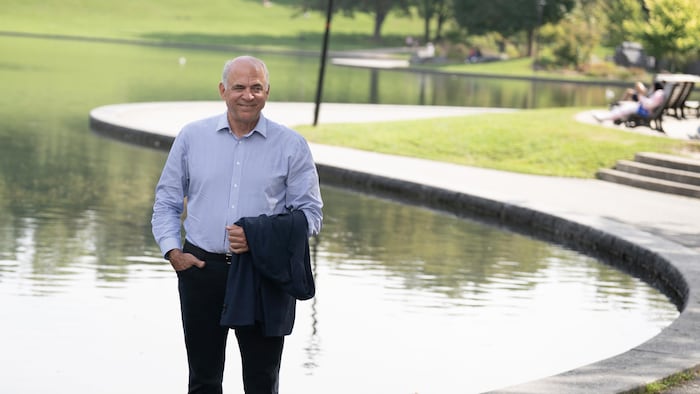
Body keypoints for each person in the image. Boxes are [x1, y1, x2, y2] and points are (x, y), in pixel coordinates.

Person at [151, 55, 323, 394]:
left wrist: (259, 237)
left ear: (267, 91)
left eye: (256, 88)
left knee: (262, 383)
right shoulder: (192, 137)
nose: (248, 95)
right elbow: (167, 202)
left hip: (264, 274)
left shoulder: (291, 146)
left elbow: (311, 216)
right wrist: (173, 252)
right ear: (223, 90)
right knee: (203, 380)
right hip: (201, 270)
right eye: (239, 87)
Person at [593, 81, 666, 123]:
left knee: (623, 110)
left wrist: (641, 97)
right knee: (623, 108)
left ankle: (605, 118)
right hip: (642, 108)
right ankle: (605, 117)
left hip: (644, 110)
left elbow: (649, 105)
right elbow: (650, 103)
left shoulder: (658, 93)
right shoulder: (660, 93)